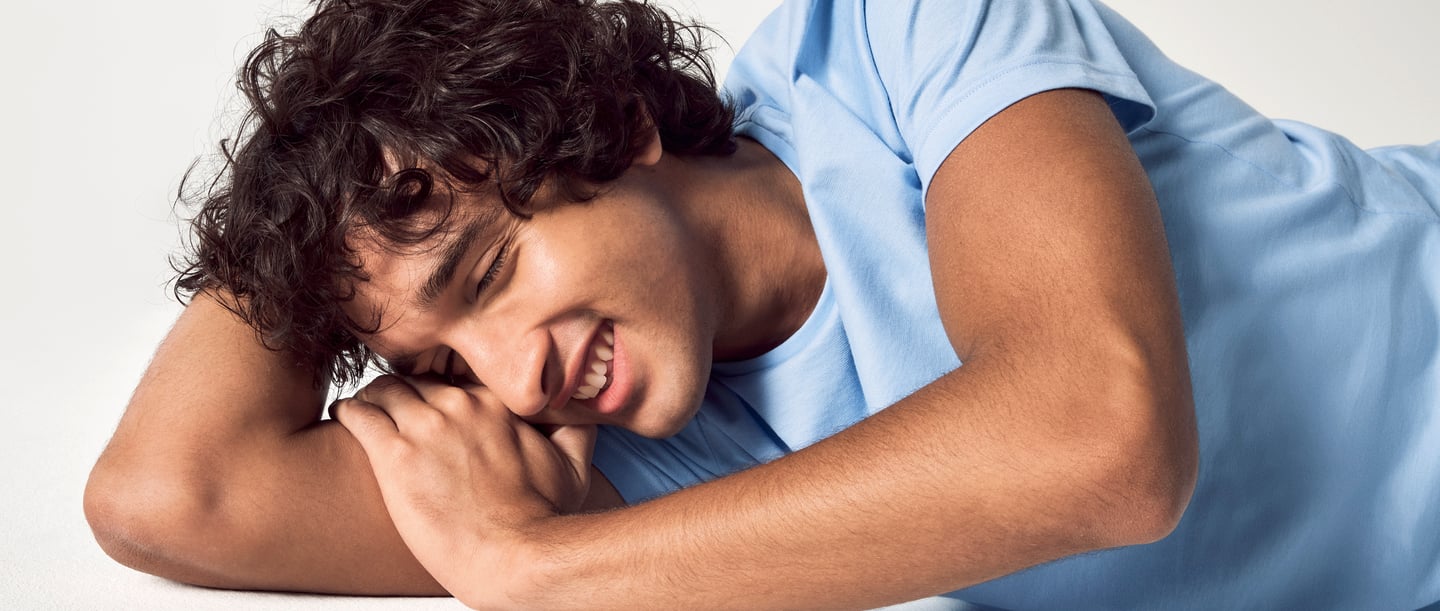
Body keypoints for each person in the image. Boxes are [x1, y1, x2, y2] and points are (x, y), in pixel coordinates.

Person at [83, 0, 1440, 608]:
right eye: (441, 363)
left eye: (485, 278)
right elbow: (167, 502)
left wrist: (537, 575)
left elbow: (1100, 440)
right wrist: (304, 216)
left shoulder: (894, 35)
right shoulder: (639, 451)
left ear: (614, 124)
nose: (505, 381)